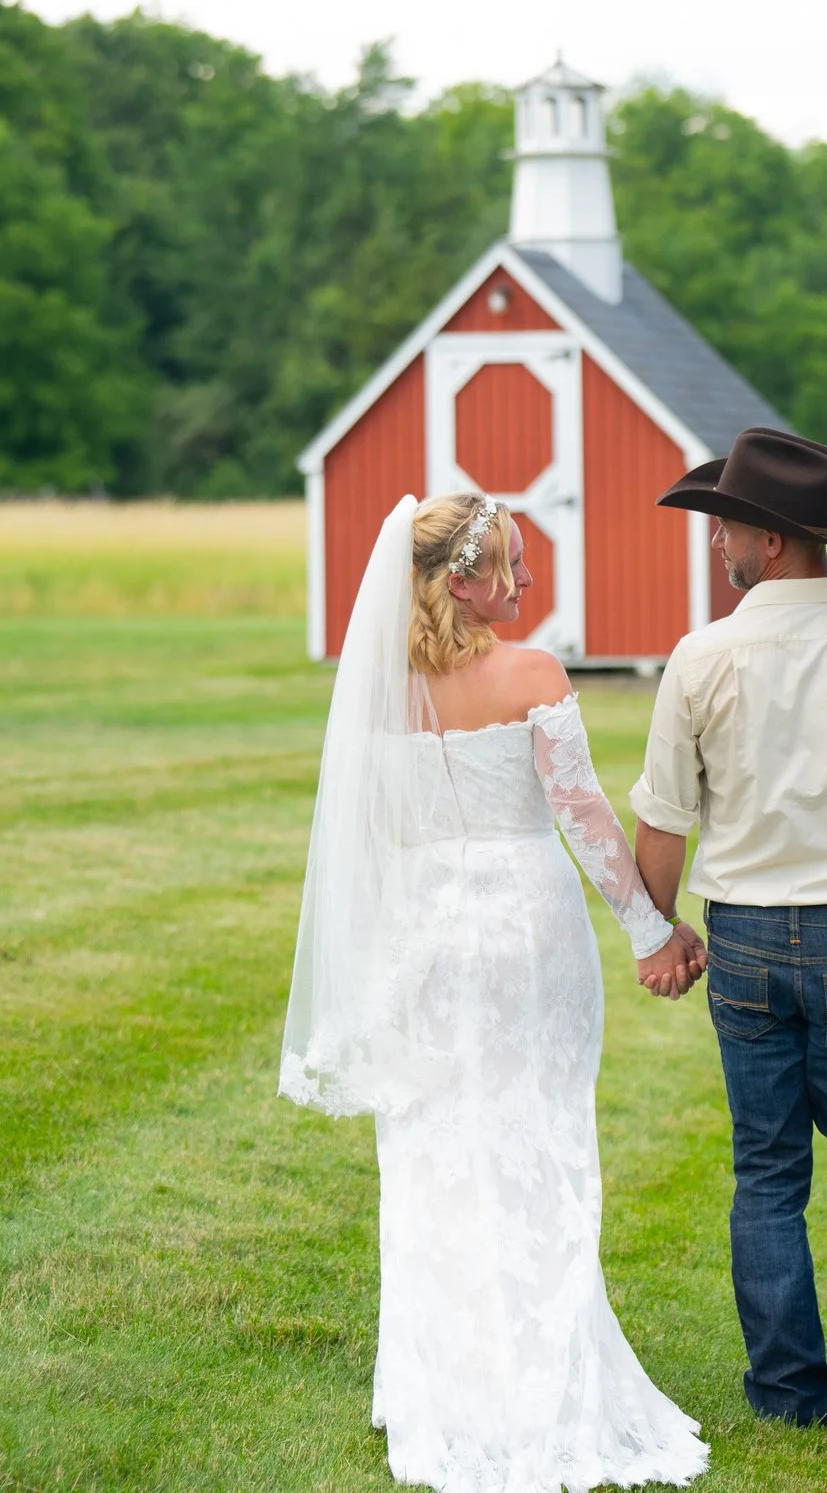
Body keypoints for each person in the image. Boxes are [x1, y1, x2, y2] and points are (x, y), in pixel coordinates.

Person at [279, 493, 709, 1493]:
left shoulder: (377, 689)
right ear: (462, 578)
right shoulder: (532, 675)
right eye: (509, 565)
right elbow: (585, 817)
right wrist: (653, 931)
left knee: (430, 1144)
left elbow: (372, 835)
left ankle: (443, 1381)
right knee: (541, 1132)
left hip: (424, 932)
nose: (523, 584)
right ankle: (541, 1371)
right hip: (523, 926)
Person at [629, 427, 827, 1458]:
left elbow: (663, 822)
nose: (716, 536)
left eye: (724, 521)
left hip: (746, 944)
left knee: (767, 1170)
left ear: (769, 540)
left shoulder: (702, 656)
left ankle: (787, 1389)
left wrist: (660, 930)